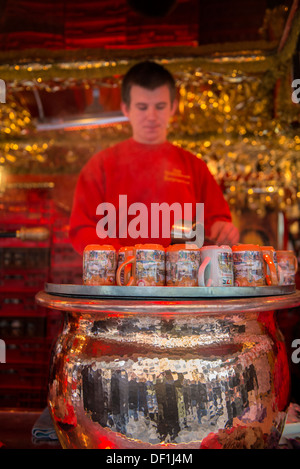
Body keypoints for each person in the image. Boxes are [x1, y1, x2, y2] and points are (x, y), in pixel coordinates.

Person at [69, 61, 239, 255]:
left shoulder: (194, 167)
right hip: (118, 282)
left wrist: (223, 230)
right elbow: (82, 228)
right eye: (142, 107)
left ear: (173, 107)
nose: (151, 116)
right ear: (126, 109)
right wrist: (126, 259)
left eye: (160, 106)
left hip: (182, 282)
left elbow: (216, 224)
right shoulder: (100, 166)